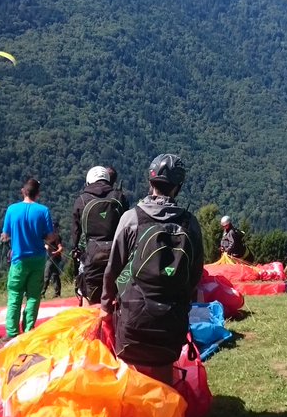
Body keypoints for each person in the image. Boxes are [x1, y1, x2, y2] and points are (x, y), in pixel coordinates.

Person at [102, 154, 204, 385]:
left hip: (133, 315)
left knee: (130, 372)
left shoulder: (131, 219)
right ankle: (164, 415)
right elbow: (195, 272)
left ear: (151, 182)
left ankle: (133, 416)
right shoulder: (190, 223)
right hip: (172, 316)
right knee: (164, 367)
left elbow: (114, 267)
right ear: (178, 187)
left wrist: (107, 305)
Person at [0, 178, 58, 337]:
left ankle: (11, 333)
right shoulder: (43, 210)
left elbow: (5, 236)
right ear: (38, 194)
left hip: (18, 259)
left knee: (15, 295)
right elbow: (50, 237)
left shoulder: (12, 210)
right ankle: (28, 331)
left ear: (23, 191)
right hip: (38, 259)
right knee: (33, 296)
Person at [71, 165, 129, 305]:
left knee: (86, 291)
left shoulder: (82, 200)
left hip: (91, 254)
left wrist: (75, 248)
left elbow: (76, 230)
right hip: (117, 252)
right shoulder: (119, 197)